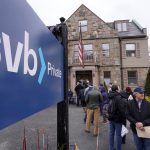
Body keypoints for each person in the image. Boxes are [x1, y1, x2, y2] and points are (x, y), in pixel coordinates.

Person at [108, 85, 126, 150]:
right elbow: (121, 109)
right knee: (118, 135)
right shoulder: (118, 97)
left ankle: (111, 148)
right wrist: (124, 117)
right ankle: (119, 148)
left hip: (110, 117)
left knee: (111, 134)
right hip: (118, 119)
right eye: (118, 88)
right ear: (116, 89)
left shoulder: (109, 95)